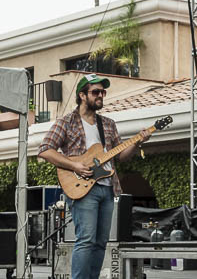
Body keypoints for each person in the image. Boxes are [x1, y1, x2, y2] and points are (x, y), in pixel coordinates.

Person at [38, 74, 150, 279]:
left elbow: (121, 157)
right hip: (82, 188)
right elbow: (45, 150)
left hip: (107, 187)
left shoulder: (108, 124)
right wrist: (75, 165)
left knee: (101, 242)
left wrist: (137, 142)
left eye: (103, 92)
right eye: (96, 92)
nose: (100, 95)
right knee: (86, 239)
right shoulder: (66, 122)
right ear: (82, 95)